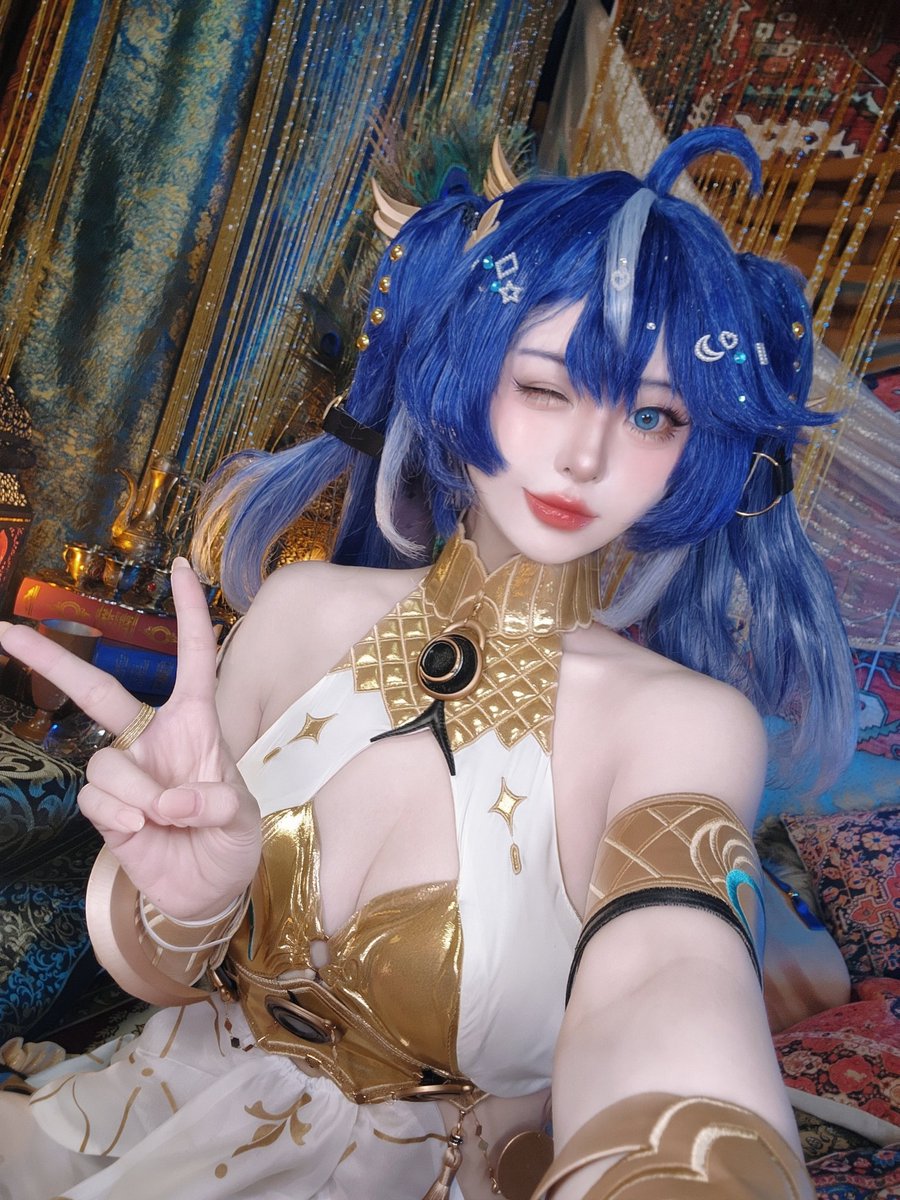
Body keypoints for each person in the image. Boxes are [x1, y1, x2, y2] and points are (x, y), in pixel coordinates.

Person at [0, 126, 855, 1200]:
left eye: (651, 414)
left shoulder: (685, 725)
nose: (585, 457)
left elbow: (671, 975)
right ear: (471, 372)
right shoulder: (302, 612)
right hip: (131, 1116)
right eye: (547, 388)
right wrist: (190, 900)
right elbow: (163, 977)